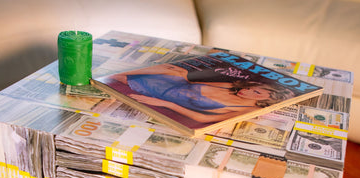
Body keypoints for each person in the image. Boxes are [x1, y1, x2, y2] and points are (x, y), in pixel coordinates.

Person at [108, 63, 295, 124]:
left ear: (269, 99)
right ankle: (116, 72)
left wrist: (167, 104)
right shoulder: (232, 86)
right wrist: (181, 73)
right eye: (250, 87)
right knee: (176, 70)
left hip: (169, 95)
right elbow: (192, 83)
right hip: (178, 85)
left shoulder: (247, 109)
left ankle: (116, 73)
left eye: (256, 92)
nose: (246, 91)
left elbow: (203, 118)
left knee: (128, 79)